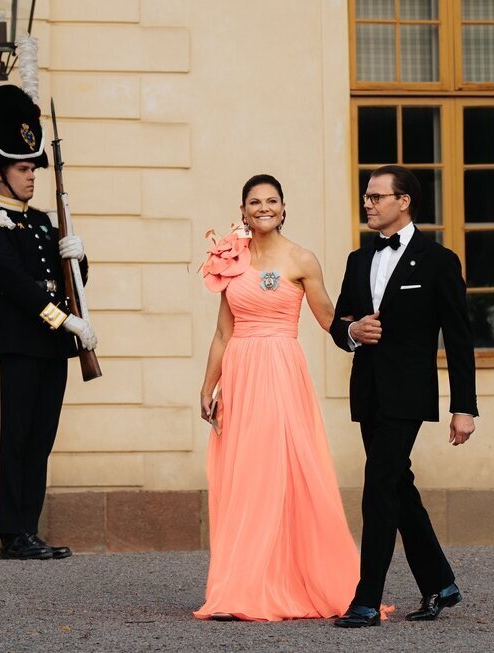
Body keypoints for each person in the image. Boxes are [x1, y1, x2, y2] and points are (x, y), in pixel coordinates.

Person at [194, 174, 359, 621]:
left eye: (271, 201)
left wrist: (361, 331)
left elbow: (329, 319)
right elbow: (223, 331)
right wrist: (208, 387)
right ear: (242, 209)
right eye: (254, 202)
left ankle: (287, 581)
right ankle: (240, 587)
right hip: (240, 373)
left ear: (284, 208)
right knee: (243, 476)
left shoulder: (301, 258)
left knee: (278, 473)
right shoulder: (230, 258)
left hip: (280, 370)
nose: (263, 208)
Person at [329, 165, 479, 628]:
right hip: (368, 392)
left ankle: (367, 601)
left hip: (408, 395)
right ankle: (440, 581)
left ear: (404, 201)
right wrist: (353, 331)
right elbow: (338, 324)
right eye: (366, 196)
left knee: (378, 488)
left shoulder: (439, 260)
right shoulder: (358, 259)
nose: (368, 203)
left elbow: (459, 337)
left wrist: (464, 406)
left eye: (376, 196)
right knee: (396, 485)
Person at [0, 84, 97, 560]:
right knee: (12, 435)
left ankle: (29, 528)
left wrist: (78, 258)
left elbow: (67, 278)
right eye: (22, 169)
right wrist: (67, 323)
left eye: (33, 169)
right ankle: (9, 533)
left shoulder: (43, 221)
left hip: (49, 345)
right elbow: (14, 283)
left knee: (41, 437)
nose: (31, 177)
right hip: (14, 341)